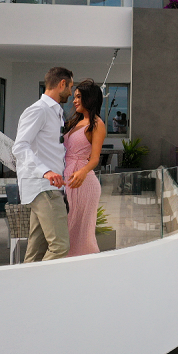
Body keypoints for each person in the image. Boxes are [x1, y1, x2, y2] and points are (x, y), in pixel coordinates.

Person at [13, 67, 73, 262]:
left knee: (36, 251)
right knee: (60, 246)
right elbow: (20, 147)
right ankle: (44, 289)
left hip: (47, 187)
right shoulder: (39, 110)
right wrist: (46, 172)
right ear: (61, 84)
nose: (71, 93)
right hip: (44, 187)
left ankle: (28, 289)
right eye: (70, 87)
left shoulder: (55, 112)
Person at [63, 79, 107, 256]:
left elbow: (95, 159)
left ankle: (89, 269)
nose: (74, 101)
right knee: (67, 227)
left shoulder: (97, 124)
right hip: (67, 177)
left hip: (82, 181)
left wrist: (82, 171)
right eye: (74, 97)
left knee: (81, 231)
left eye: (79, 97)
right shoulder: (75, 122)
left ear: (90, 99)